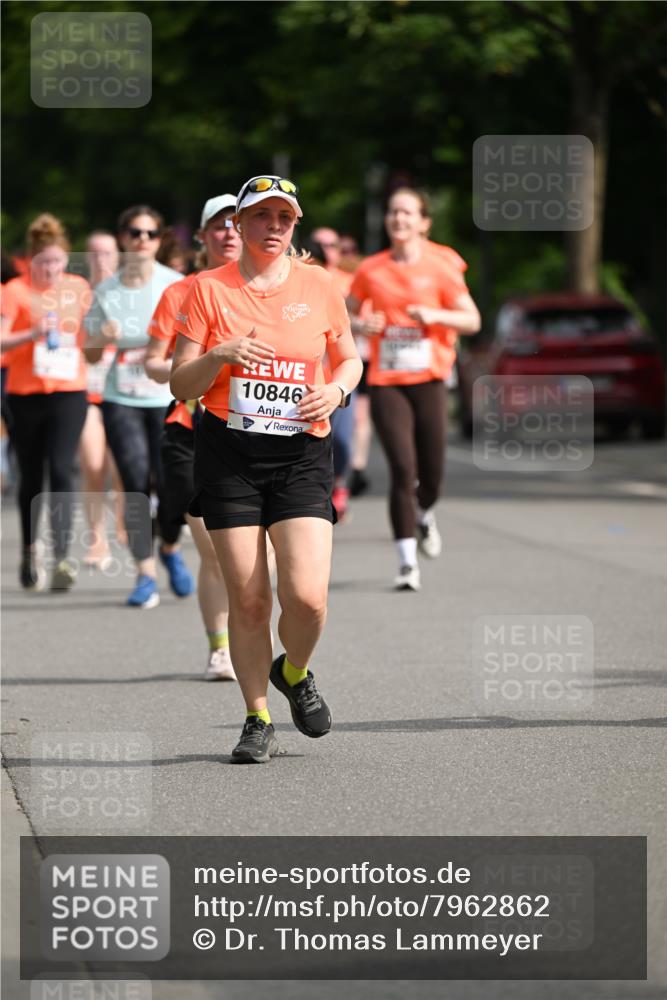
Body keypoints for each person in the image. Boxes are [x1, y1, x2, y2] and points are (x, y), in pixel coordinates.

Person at [170, 174, 362, 763]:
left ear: (294, 223)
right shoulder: (208, 289)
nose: (272, 226)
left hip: (301, 453)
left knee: (307, 598)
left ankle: (294, 671)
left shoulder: (319, 284)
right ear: (239, 223)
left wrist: (336, 390)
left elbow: (349, 359)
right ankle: (257, 717)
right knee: (250, 600)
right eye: (260, 216)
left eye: (283, 217)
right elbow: (180, 384)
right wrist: (218, 355)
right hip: (229, 455)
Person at [347, 188, 481, 591]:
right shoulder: (371, 269)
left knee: (432, 477)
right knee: (403, 471)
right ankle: (407, 563)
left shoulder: (442, 264)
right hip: (387, 382)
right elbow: (344, 311)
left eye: (407, 212)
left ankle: (425, 514)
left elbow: (471, 320)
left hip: (431, 380)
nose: (398, 219)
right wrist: (360, 325)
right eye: (393, 212)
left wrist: (433, 315)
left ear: (424, 222)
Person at [144, 194, 241, 680]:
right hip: (191, 429)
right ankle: (220, 648)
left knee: (255, 556)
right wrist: (199, 365)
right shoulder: (181, 292)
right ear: (202, 236)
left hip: (253, 431)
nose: (229, 233)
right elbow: (153, 362)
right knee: (214, 551)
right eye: (218, 226)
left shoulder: (268, 290)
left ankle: (249, 633)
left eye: (237, 223)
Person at [84, 205, 194, 608]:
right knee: (133, 482)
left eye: (150, 233)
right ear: (123, 238)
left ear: (160, 238)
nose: (142, 240)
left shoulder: (177, 285)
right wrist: (102, 338)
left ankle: (169, 547)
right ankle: (145, 573)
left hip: (167, 396)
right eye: (134, 232)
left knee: (172, 486)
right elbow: (90, 355)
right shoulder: (106, 291)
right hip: (122, 399)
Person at [0, 214, 91, 591]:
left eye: (57, 261)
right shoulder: (15, 290)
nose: (51, 269)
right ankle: (28, 550)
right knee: (32, 476)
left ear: (65, 259)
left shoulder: (78, 287)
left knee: (62, 468)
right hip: (25, 393)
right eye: (43, 262)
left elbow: (92, 336)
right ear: (31, 260)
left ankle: (62, 557)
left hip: (70, 389)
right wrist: (32, 333)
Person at [79, 231, 126, 567]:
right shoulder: (77, 296)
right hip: (85, 392)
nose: (101, 260)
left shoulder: (129, 295)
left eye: (107, 253)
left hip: (123, 393)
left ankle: (122, 523)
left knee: (123, 466)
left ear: (118, 257)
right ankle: (97, 540)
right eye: (94, 254)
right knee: (93, 466)